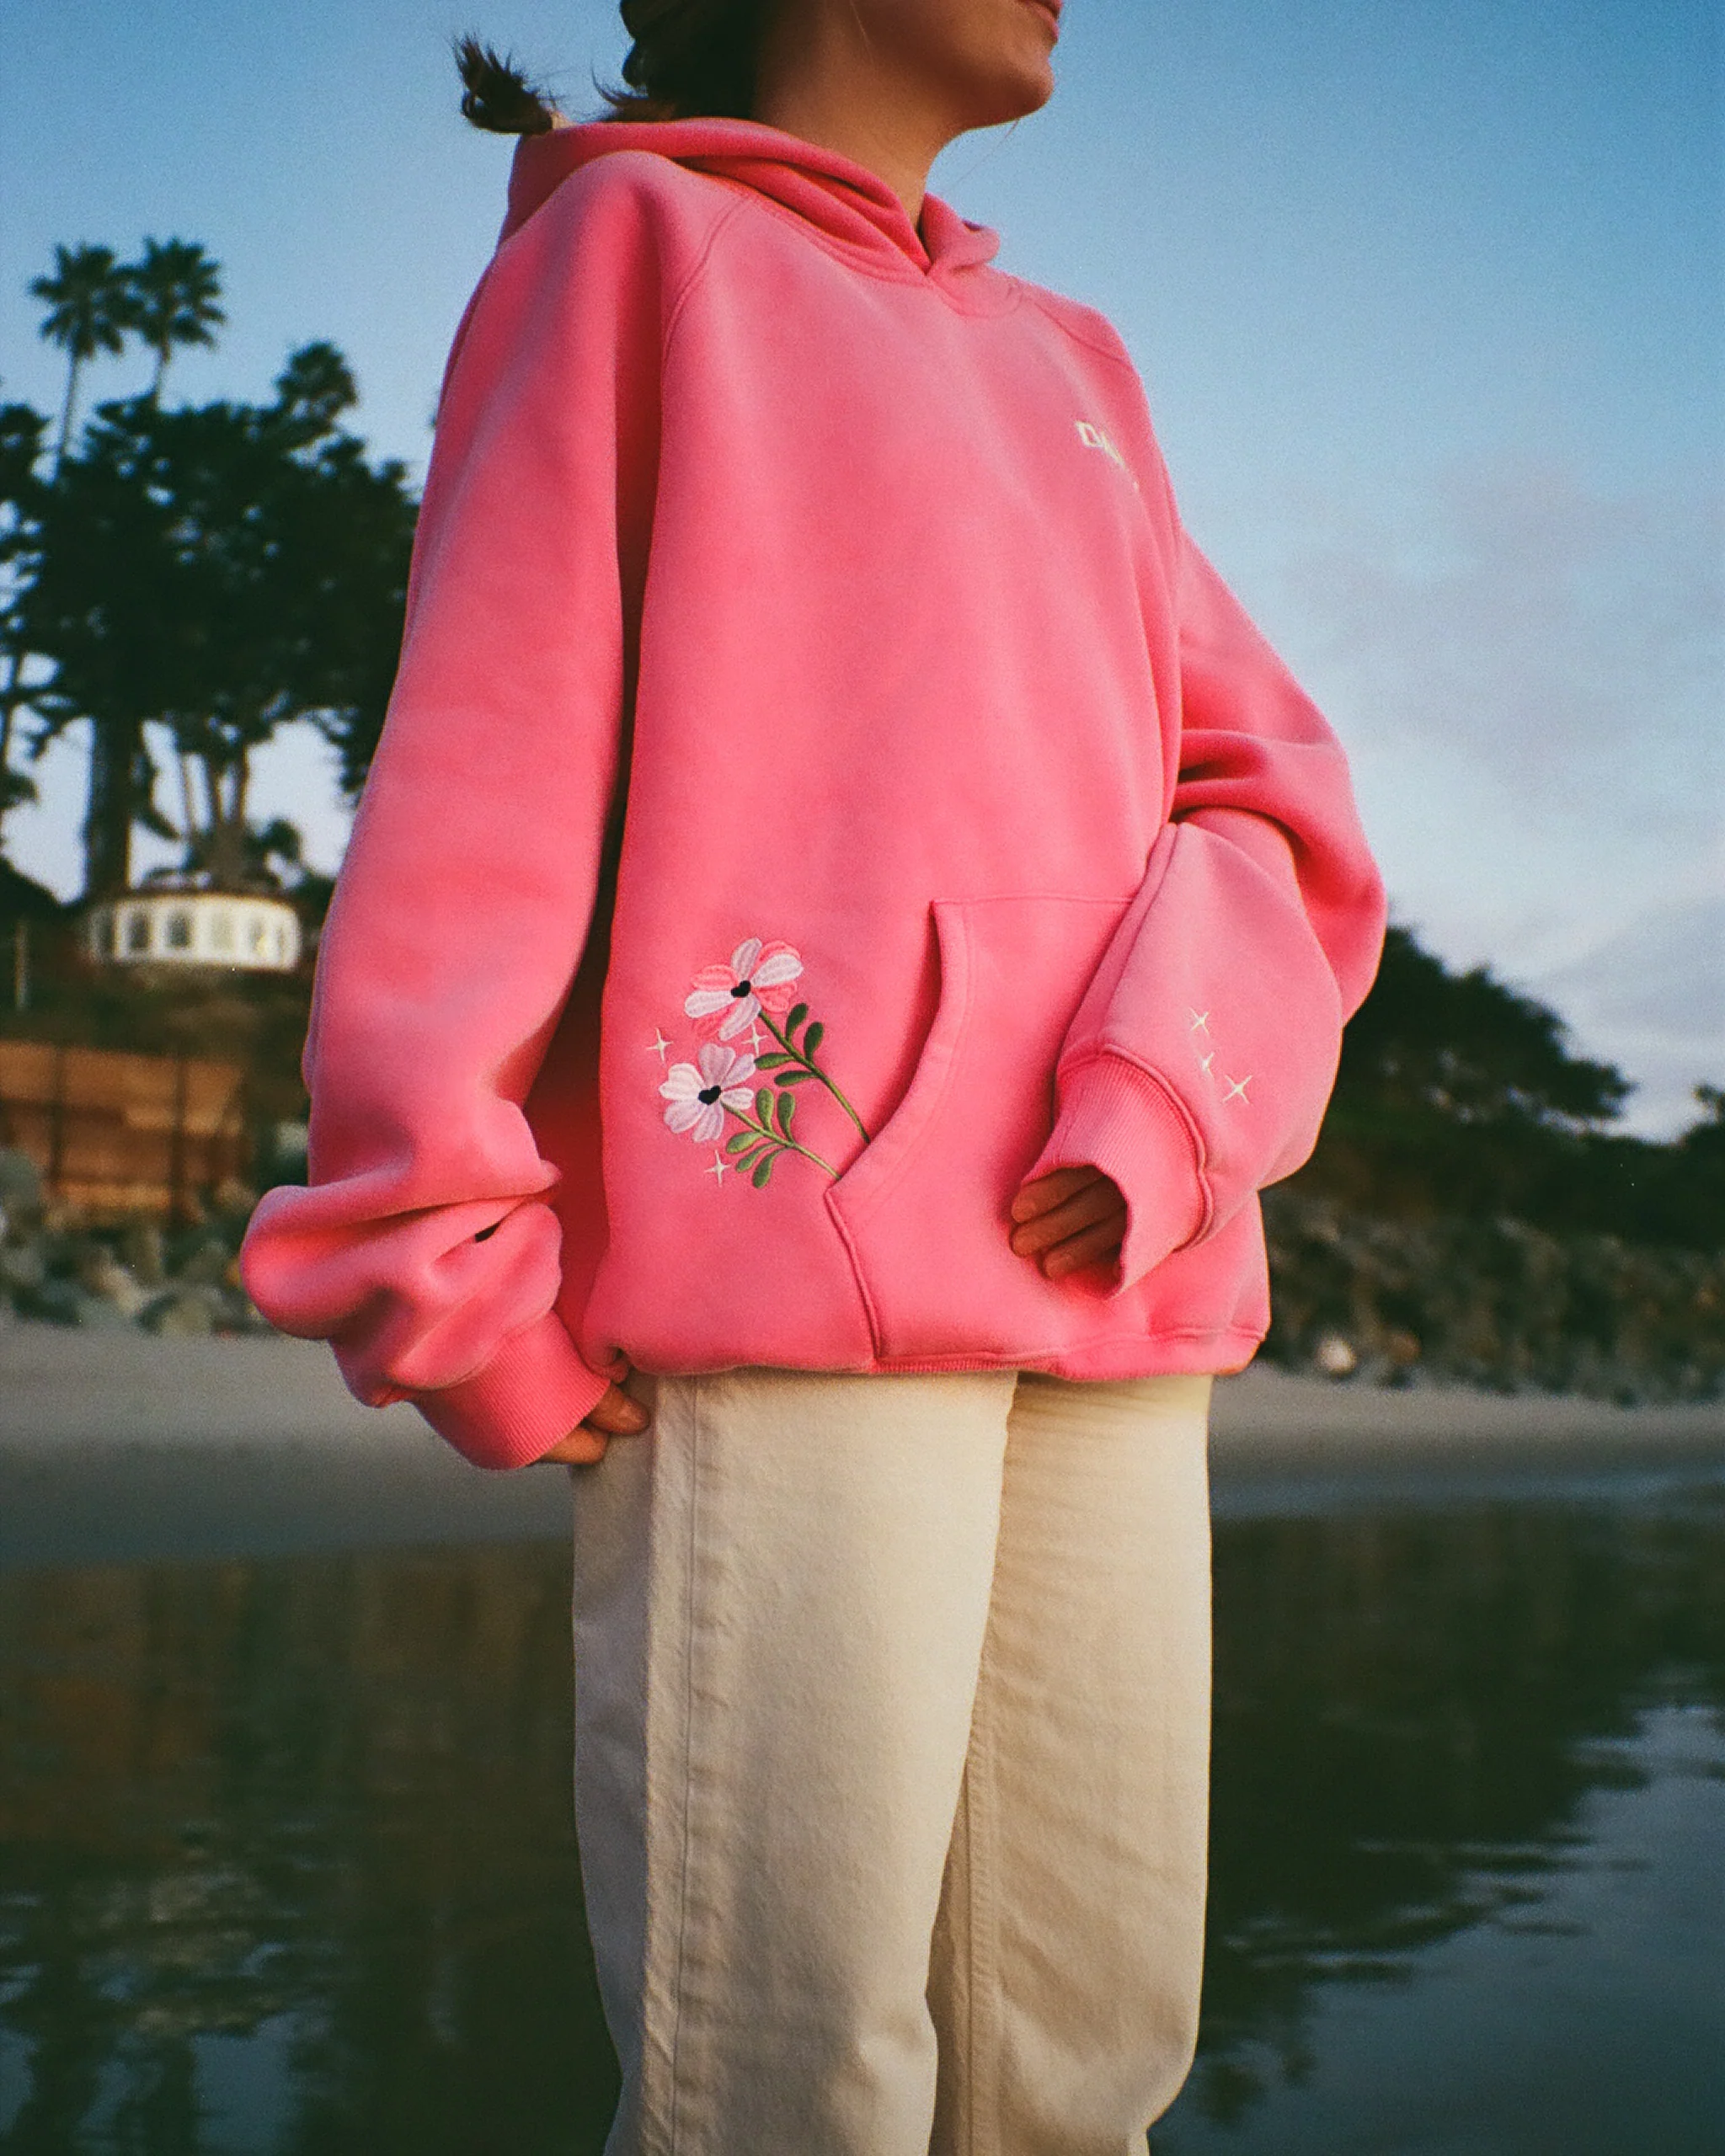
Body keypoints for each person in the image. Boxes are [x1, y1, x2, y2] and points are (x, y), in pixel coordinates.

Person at [242, 2, 1387, 2148]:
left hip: (1124, 1284)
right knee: (785, 2086)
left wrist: (1165, 1093)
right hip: (784, 1279)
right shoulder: (631, 255)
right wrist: (444, 1256)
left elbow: (1273, 799)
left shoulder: (1078, 362)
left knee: (1085, 2074)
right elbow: (485, 763)